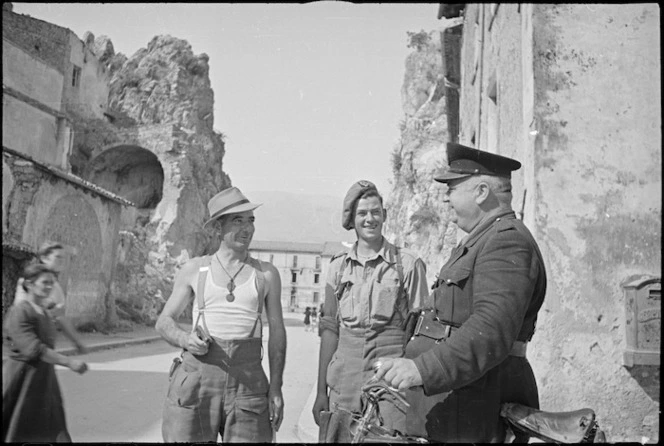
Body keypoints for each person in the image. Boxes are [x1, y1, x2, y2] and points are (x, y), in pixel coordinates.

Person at [374, 143, 547, 443]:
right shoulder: (483, 240)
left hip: (479, 407)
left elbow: (491, 329)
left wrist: (422, 368)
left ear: (481, 192)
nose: (445, 197)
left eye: (452, 187)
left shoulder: (507, 242)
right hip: (460, 404)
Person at [155, 187, 287, 443]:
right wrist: (186, 340)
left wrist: (276, 388)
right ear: (217, 228)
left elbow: (277, 333)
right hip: (197, 380)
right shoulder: (195, 269)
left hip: (248, 382)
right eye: (237, 220)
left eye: (251, 220)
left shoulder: (267, 274)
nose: (247, 228)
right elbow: (163, 321)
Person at [312, 180, 429, 441]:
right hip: (343, 383)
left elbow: (421, 334)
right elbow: (330, 332)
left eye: (376, 212)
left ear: (385, 215)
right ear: (351, 220)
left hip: (390, 383)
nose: (370, 219)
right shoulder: (338, 268)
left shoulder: (407, 265)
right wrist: (321, 391)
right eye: (362, 213)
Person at [3, 263, 89, 442]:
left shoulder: (44, 312)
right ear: (30, 283)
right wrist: (69, 362)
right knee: (17, 428)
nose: (50, 286)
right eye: (45, 282)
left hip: (44, 381)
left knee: (52, 429)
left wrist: (77, 342)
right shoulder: (19, 312)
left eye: (52, 282)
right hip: (20, 381)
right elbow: (35, 349)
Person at [14, 242, 88, 354]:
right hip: (26, 343)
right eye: (57, 257)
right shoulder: (30, 280)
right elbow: (21, 310)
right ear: (44, 258)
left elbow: (60, 317)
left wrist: (77, 342)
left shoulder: (54, 285)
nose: (62, 261)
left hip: (44, 343)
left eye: (63, 258)